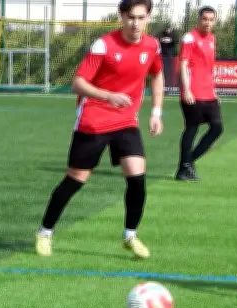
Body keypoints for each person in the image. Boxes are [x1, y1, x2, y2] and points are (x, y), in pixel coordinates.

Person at [35, 0, 165, 259]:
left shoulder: (152, 45)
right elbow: (78, 83)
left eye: (141, 17)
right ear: (121, 16)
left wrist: (156, 112)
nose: (135, 23)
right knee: (75, 180)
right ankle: (45, 231)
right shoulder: (104, 45)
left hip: (126, 121)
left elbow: (157, 75)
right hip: (93, 120)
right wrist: (108, 96)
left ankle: (130, 235)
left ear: (148, 17)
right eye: (130, 17)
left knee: (137, 177)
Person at [176, 6, 221, 182]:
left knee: (217, 127)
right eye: (205, 19)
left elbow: (208, 68)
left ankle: (186, 163)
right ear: (199, 20)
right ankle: (185, 167)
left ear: (214, 21)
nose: (208, 22)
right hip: (193, 93)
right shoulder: (189, 38)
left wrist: (214, 90)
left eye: (211, 19)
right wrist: (186, 89)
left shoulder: (212, 38)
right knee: (192, 128)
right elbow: (183, 65)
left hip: (209, 93)